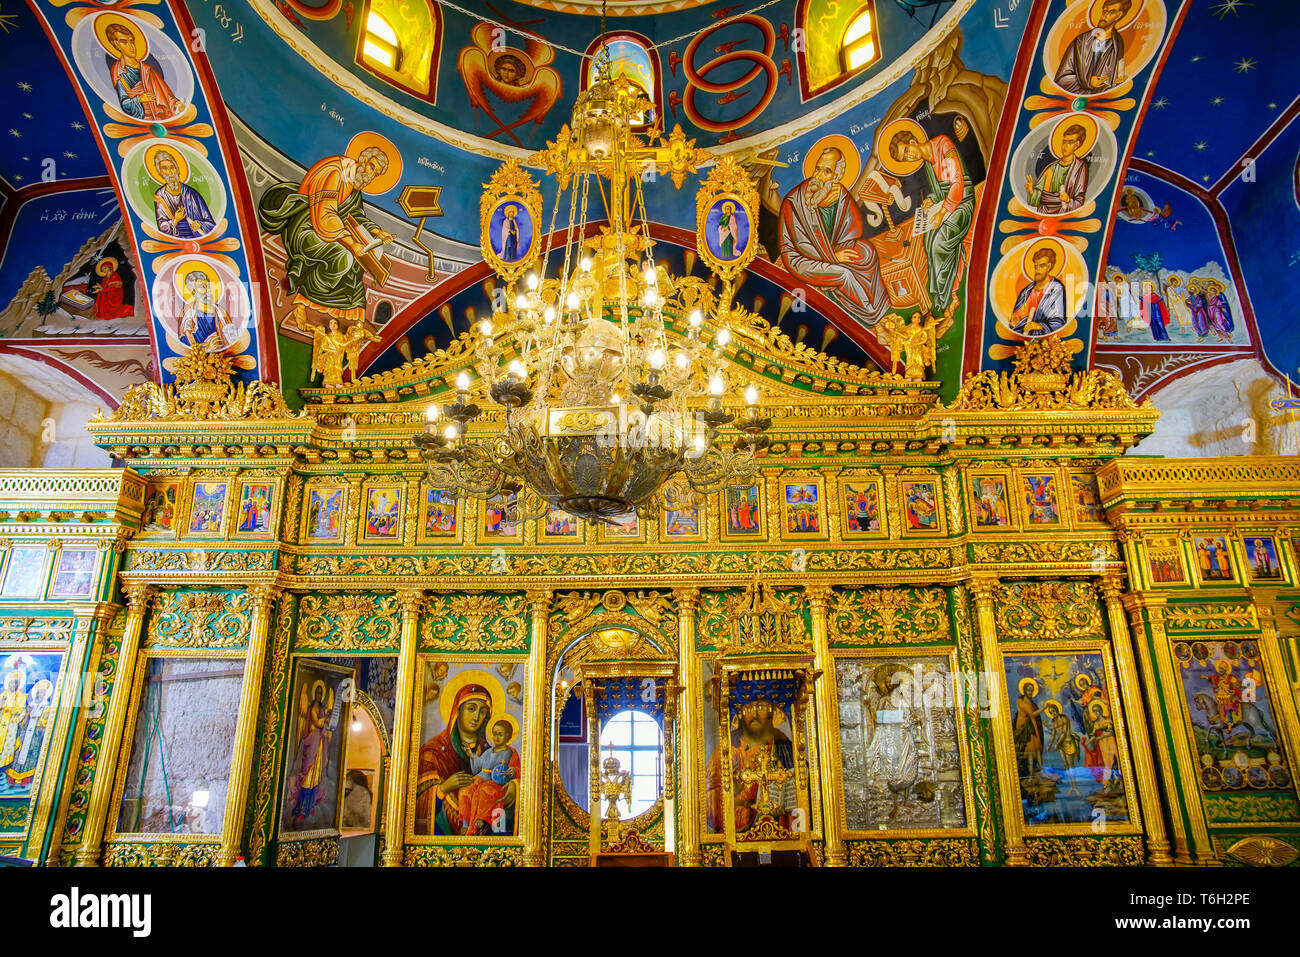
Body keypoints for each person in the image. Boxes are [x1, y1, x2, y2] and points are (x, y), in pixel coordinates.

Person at [257, 147, 396, 329]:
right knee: (343, 257)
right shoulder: (335, 173)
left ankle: (345, 318)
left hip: (333, 231)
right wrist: (352, 244)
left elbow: (354, 215)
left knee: (358, 262)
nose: (371, 175)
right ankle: (302, 304)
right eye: (371, 167)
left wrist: (377, 232)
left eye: (376, 173)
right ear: (362, 159)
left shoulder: (355, 184)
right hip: (307, 226)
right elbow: (326, 216)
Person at [779, 146, 889, 326]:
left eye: (827, 171)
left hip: (828, 250)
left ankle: (877, 306)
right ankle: (875, 321)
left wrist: (842, 249)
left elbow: (853, 230)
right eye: (818, 169)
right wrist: (833, 257)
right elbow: (802, 244)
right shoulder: (795, 201)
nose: (819, 175)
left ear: (836, 176)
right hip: (801, 258)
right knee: (844, 274)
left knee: (867, 252)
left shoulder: (839, 194)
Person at [889, 127, 975, 315]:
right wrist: (931, 199)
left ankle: (943, 300)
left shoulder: (943, 143)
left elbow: (957, 182)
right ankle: (943, 293)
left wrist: (942, 212)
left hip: (963, 202)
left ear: (913, 142)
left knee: (939, 244)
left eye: (907, 152)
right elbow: (940, 190)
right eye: (904, 159)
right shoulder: (927, 163)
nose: (909, 157)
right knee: (928, 243)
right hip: (947, 204)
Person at [414, 683, 519, 835]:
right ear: (458, 711)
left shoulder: (493, 749)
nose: (477, 717)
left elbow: (518, 773)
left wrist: (516, 786)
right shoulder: (433, 752)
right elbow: (413, 804)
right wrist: (442, 789)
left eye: (483, 712)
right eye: (471, 708)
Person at [705, 698, 795, 834]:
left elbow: (799, 797)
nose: (755, 713)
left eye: (761, 706)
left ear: (771, 711)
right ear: (740, 712)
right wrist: (734, 793)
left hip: (779, 833)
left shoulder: (784, 748)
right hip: (736, 836)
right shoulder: (726, 751)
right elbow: (710, 808)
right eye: (749, 707)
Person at [103, 21, 183, 121]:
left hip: (159, 115)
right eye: (124, 42)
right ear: (116, 44)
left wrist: (176, 103)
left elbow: (166, 95)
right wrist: (140, 99)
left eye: (131, 41)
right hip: (143, 117)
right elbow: (124, 103)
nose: (131, 46)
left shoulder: (147, 69)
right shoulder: (119, 71)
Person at [1053, 0, 1131, 96]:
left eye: (1111, 12)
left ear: (1119, 15)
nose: (1104, 16)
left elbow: (1113, 79)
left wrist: (1118, 83)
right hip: (1076, 97)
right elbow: (1061, 79)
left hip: (1100, 101)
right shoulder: (1081, 41)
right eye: (1104, 11)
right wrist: (1088, 81)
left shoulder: (1117, 44)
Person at [457, 718, 520, 835]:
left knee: (483, 791)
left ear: (508, 736)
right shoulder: (488, 751)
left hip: (495, 782)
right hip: (481, 777)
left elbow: (517, 768)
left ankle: (481, 818)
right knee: (465, 790)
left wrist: (513, 770)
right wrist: (471, 754)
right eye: (494, 734)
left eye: (500, 734)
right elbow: (479, 765)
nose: (496, 737)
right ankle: (466, 823)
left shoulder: (510, 752)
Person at [290, 681, 335, 826]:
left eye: (321, 693)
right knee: (307, 776)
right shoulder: (312, 708)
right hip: (312, 744)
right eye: (317, 692)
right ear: (314, 694)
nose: (319, 695)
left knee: (316, 776)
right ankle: (302, 807)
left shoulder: (320, 708)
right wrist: (326, 716)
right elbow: (317, 723)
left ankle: (310, 806)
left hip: (320, 745)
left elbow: (325, 726)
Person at [1025, 123, 1090, 216]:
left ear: (1077, 145)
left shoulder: (1079, 167)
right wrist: (1031, 190)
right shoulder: (1051, 167)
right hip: (1043, 212)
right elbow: (1039, 198)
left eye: (1070, 142)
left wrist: (1067, 200)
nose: (1065, 146)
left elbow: (1080, 200)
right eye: (1064, 141)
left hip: (1064, 214)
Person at [152, 150, 216, 240]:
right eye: (165, 168)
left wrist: (200, 224)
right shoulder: (160, 195)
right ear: (160, 173)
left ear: (177, 170)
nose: (170, 171)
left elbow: (211, 223)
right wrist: (176, 220)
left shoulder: (192, 193)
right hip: (176, 241)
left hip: (195, 237)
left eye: (172, 167)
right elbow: (162, 226)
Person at [1010, 246, 1067, 336]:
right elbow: (1018, 316)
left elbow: (1058, 322)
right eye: (1036, 266)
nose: (1037, 269)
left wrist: (1039, 326)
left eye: (1042, 265)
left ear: (1049, 266)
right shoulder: (1027, 291)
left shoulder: (1056, 288)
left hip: (1044, 338)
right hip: (1024, 336)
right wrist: (1016, 320)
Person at [179, 269, 237, 351]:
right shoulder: (188, 313)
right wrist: (207, 349)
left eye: (208, 286)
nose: (207, 290)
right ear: (193, 290)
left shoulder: (220, 312)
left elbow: (231, 341)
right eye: (202, 287)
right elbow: (186, 345)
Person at [1013, 678, 1044, 778]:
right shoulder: (1021, 701)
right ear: (1024, 690)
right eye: (1028, 690)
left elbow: (1036, 717)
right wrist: (1044, 707)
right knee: (1030, 752)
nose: (1030, 692)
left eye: (1032, 690)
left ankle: (1043, 771)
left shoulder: (1032, 703)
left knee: (1038, 750)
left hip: (1033, 728)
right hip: (1024, 730)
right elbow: (1032, 714)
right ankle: (1030, 776)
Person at [0, 670, 27, 776]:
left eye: (16, 683)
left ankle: (4, 766)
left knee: (8, 744)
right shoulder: (3, 695)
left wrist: (15, 713)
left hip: (11, 725)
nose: (13, 685)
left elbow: (22, 712)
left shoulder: (21, 697)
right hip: (1, 721)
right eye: (12, 682)